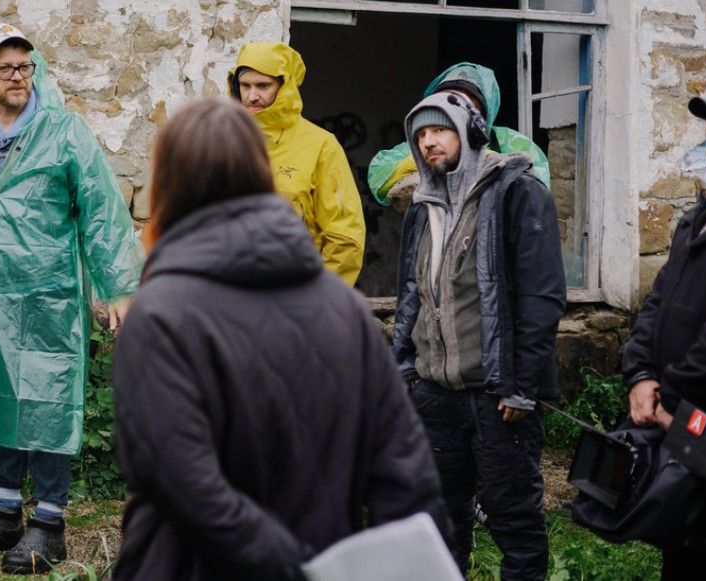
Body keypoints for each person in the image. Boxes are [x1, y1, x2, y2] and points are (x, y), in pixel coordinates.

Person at [110, 98, 451, 581]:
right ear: (262, 174)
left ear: (169, 184)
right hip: (328, 555)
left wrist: (291, 567)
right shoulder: (347, 310)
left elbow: (181, 482)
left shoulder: (159, 317)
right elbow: (407, 478)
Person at [0, 23, 144, 575]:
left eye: (25, 66)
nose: (18, 76)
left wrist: (119, 287)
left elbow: (103, 213)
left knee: (46, 401)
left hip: (49, 297)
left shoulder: (66, 134)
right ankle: (2, 513)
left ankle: (49, 524)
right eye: (5, 68)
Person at [393, 90, 566, 579]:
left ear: (470, 132)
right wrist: (406, 369)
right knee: (440, 523)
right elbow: (411, 294)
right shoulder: (422, 207)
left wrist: (522, 385)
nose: (429, 142)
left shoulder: (517, 192)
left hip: (497, 398)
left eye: (440, 130)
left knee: (514, 520)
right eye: (421, 134)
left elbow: (542, 295)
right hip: (434, 396)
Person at [623, 84, 706, 579]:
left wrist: (671, 397)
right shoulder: (699, 217)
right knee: (683, 543)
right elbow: (657, 302)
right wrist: (639, 373)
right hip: (684, 423)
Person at [227, 42, 366, 286]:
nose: (252, 96)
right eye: (245, 86)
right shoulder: (221, 141)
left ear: (285, 86)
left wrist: (316, 301)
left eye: (263, 86)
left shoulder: (321, 146)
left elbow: (345, 238)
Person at [368, 62, 551, 212]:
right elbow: (379, 180)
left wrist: (480, 158)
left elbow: (534, 196)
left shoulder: (508, 141)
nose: (459, 111)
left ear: (484, 109)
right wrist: (427, 160)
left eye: (468, 103)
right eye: (451, 102)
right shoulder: (428, 142)